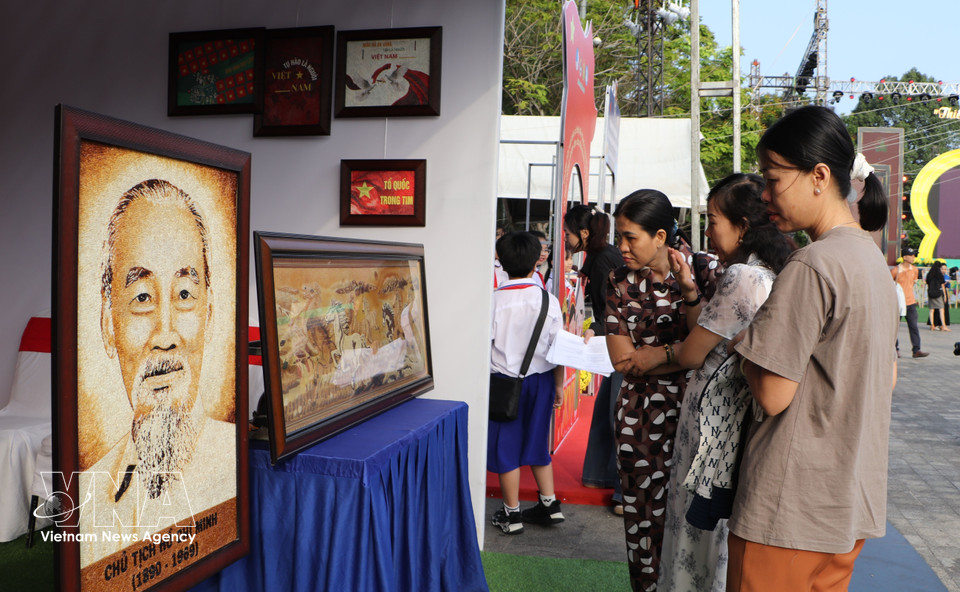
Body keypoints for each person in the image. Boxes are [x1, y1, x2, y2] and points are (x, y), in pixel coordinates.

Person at [729, 105, 898, 591]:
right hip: (845, 508)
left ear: (819, 176)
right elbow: (886, 377)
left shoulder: (813, 265)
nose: (764, 195)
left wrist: (746, 345)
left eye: (773, 178)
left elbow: (774, 395)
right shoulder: (870, 260)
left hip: (788, 508)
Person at [624, 174, 794, 591]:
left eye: (714, 220)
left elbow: (693, 353)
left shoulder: (742, 276)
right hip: (726, 426)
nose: (708, 231)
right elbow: (710, 333)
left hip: (712, 433)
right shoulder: (768, 272)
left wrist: (656, 356)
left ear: (743, 225)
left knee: (697, 542)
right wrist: (689, 292)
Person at [79, 179, 235, 565]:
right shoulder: (87, 494)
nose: (165, 335)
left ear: (209, 313)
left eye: (184, 295)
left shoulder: (237, 467)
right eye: (142, 298)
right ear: (106, 322)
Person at [604, 190, 719, 592]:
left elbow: (712, 346)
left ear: (659, 236)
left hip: (696, 415)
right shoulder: (618, 280)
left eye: (629, 237)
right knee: (641, 522)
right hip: (638, 419)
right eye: (620, 236)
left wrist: (659, 355)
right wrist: (681, 354)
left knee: (693, 520)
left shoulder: (702, 269)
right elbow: (623, 360)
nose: (622, 247)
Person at [488, 231, 565, 535]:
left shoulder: (493, 301)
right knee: (537, 442)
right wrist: (558, 386)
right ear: (537, 261)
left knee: (506, 448)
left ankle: (512, 514)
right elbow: (557, 350)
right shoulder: (549, 299)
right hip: (542, 381)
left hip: (504, 384)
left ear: (501, 262)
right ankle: (549, 504)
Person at [563, 205, 625, 512]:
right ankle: (601, 477)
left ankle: (622, 493)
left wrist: (597, 328)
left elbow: (613, 307)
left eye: (569, 234)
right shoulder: (600, 257)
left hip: (622, 344)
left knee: (618, 414)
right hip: (617, 342)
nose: (566, 239)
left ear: (585, 234)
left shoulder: (603, 260)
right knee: (605, 410)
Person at [892, 247, 928, 357]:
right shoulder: (896, 270)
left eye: (914, 255)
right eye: (911, 255)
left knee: (913, 326)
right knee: (895, 327)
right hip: (897, 303)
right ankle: (895, 348)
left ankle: (916, 350)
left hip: (910, 302)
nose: (913, 257)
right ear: (904, 257)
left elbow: (912, 283)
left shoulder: (915, 270)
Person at [926, 261, 950, 331]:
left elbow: (927, 282)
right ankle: (944, 325)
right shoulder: (939, 274)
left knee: (931, 310)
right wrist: (945, 295)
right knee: (941, 309)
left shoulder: (929, 274)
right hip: (938, 293)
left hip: (930, 293)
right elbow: (942, 285)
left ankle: (932, 325)